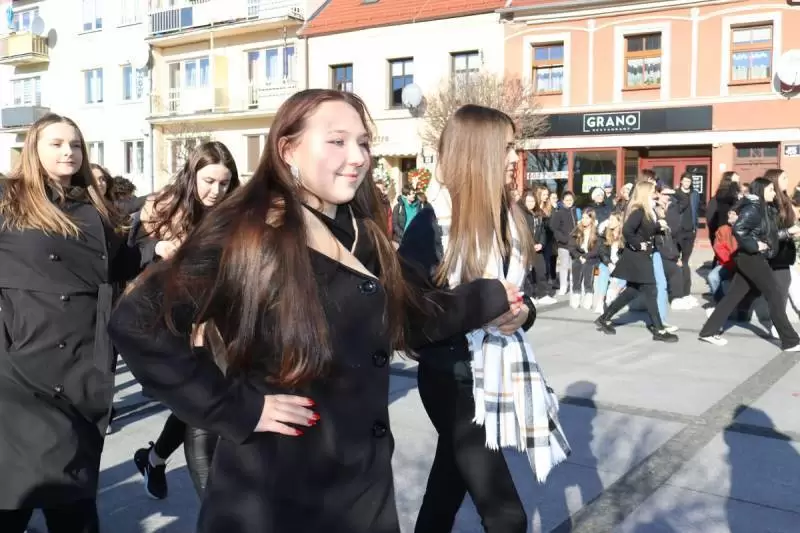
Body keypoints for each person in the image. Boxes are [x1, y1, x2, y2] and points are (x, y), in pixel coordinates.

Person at [108, 89, 518, 533]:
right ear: (288, 149)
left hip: (360, 488)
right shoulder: (248, 229)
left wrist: (494, 298)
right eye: (337, 141)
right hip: (275, 491)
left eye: (363, 142)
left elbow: (412, 316)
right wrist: (236, 407)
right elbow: (138, 322)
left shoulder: (363, 232)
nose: (357, 156)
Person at [400, 104, 567, 533]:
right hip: (452, 381)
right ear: (479, 152)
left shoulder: (509, 217)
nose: (514, 157)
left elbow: (521, 297)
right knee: (507, 516)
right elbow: (410, 323)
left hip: (497, 372)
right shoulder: (430, 227)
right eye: (507, 147)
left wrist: (523, 315)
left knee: (444, 492)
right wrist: (481, 305)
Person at [0, 113, 148, 533]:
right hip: (21, 369)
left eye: (76, 144)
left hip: (80, 367)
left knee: (73, 499)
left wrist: (157, 247)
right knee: (17, 495)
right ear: (34, 149)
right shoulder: (8, 198)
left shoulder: (91, 208)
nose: (69, 152)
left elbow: (117, 264)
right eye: (57, 143)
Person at [131, 141, 240, 499]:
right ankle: (213, 506)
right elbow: (128, 254)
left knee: (199, 404)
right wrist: (157, 249)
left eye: (224, 183)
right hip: (175, 326)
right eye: (209, 181)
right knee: (199, 408)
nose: (216, 190)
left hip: (221, 326)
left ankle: (154, 459)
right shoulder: (163, 209)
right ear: (191, 176)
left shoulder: (235, 214)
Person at [699, 178, 800, 349]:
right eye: (770, 190)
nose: (774, 193)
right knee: (774, 295)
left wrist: (788, 233)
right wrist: (755, 245)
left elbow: (769, 235)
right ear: (761, 190)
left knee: (733, 296)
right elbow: (738, 229)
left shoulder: (764, 208)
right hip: (751, 257)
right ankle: (791, 341)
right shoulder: (753, 208)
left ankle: (708, 332)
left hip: (749, 257)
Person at [594, 180, 678, 342]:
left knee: (632, 291)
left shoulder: (648, 210)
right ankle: (659, 329)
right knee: (651, 290)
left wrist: (658, 227)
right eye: (652, 191)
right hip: (637, 257)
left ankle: (604, 318)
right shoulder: (639, 210)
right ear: (645, 193)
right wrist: (638, 244)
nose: (655, 194)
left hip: (643, 256)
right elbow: (627, 230)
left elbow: (645, 229)